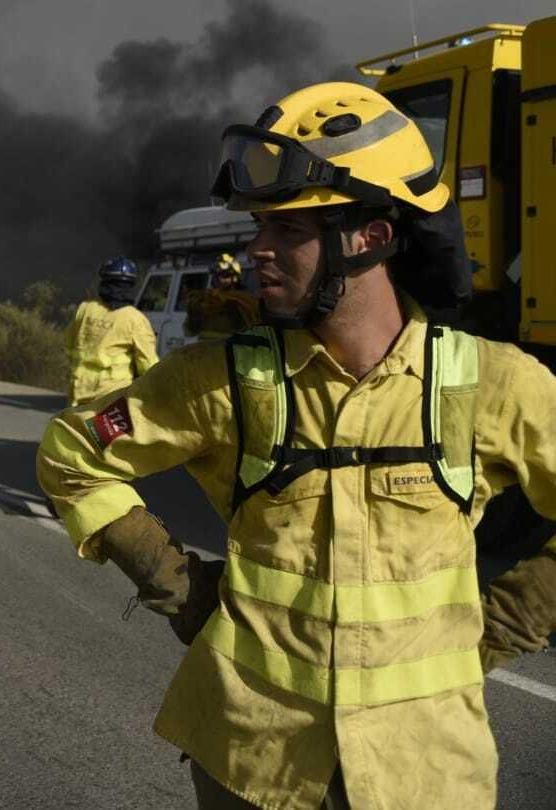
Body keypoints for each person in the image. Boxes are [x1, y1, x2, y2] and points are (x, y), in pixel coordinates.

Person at [36, 83, 556, 810]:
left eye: (288, 230)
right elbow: (69, 454)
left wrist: (508, 620)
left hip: (428, 776)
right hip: (252, 768)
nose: (258, 251)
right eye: (259, 228)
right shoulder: (217, 382)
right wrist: (174, 583)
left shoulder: (497, 385)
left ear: (370, 237)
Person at [63, 257, 159, 404]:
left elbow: (68, 345)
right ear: (131, 285)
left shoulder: (86, 309)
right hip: (112, 397)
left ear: (104, 282)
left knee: (74, 426)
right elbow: (148, 364)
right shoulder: (135, 319)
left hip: (79, 390)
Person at [183, 252, 260, 340]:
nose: (219, 279)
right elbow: (189, 330)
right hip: (210, 344)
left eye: (224, 275)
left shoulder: (240, 300)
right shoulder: (207, 297)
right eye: (217, 275)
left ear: (234, 277)